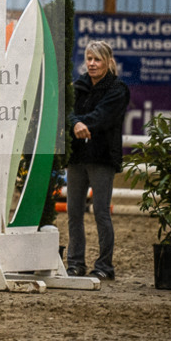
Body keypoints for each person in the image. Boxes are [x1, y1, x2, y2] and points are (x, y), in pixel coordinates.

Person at [66, 40, 130, 281]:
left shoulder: (118, 89)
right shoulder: (78, 86)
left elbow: (103, 116)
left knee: (101, 211)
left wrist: (81, 123)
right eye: (89, 59)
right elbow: (66, 111)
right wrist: (76, 123)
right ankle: (75, 263)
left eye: (97, 59)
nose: (92, 64)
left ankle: (105, 265)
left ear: (108, 62)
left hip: (102, 157)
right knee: (74, 212)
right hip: (77, 157)